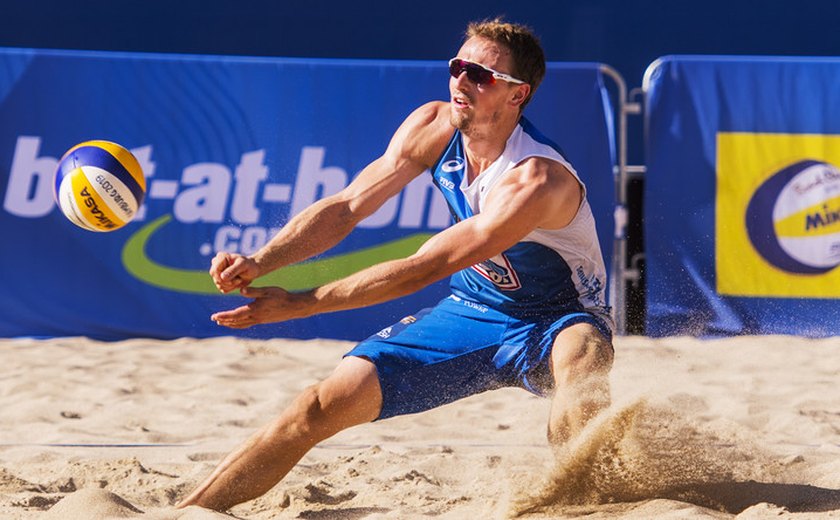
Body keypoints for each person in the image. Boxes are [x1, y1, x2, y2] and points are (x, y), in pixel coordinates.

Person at [177, 17, 614, 513]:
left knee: (582, 368)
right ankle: (191, 511)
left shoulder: (535, 180)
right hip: (473, 311)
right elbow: (347, 207)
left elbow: (423, 268)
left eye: (482, 76)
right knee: (315, 407)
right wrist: (261, 261)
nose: (461, 82)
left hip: (560, 317)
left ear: (519, 95)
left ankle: (586, 501)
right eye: (458, 67)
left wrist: (301, 304)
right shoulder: (434, 126)